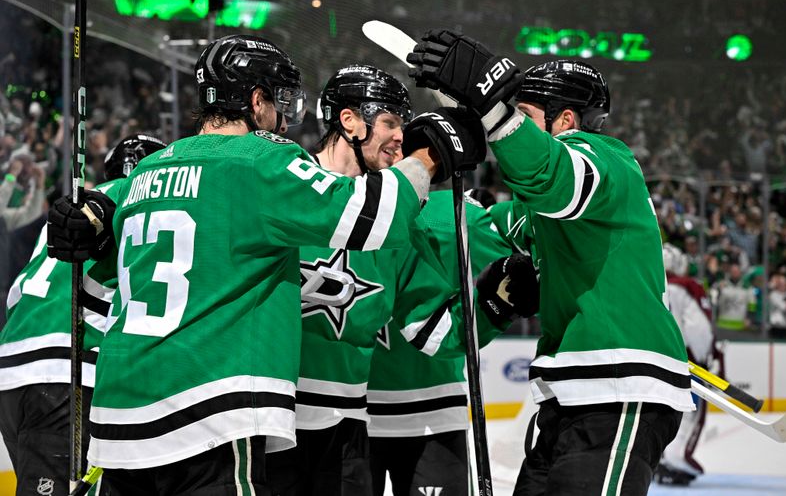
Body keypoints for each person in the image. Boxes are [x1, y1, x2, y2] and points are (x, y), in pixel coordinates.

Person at [45, 35, 484, 495]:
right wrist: (427, 158)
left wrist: (88, 213)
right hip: (209, 407)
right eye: (279, 101)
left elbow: (96, 282)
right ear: (256, 101)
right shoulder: (260, 160)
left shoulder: (146, 170)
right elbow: (376, 215)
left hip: (118, 416)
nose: (284, 117)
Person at [407, 31, 694, 496]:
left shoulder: (607, 159)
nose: (512, 125)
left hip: (617, 385)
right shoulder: (538, 210)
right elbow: (478, 223)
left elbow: (549, 175)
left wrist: (495, 109)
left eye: (525, 115)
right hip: (570, 395)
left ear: (565, 121)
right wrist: (415, 173)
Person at [265, 64, 520, 496]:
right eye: (389, 122)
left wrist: (496, 307)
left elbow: (433, 331)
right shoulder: (276, 189)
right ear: (349, 121)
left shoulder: (403, 220)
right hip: (270, 425)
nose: (401, 136)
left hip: (346, 431)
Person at [0, 134, 165, 496]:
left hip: (14, 365)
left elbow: (18, 296)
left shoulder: (74, 206)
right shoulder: (143, 204)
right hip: (67, 367)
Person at [367, 188, 516, 496]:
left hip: (369, 408)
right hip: (349, 413)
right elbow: (527, 264)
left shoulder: (458, 216)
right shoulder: (457, 215)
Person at [656, 243, 718, 486]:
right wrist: (704, 358)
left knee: (660, 413)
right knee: (688, 414)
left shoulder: (646, 285)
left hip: (655, 363)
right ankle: (676, 458)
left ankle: (659, 458)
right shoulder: (686, 288)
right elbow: (698, 330)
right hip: (685, 363)